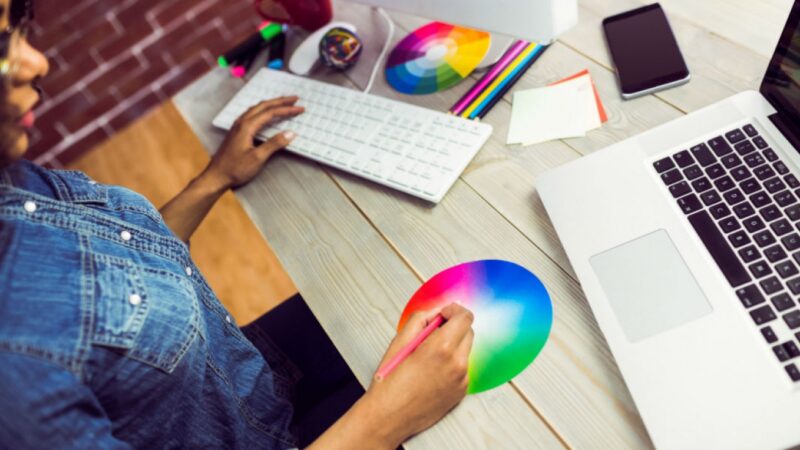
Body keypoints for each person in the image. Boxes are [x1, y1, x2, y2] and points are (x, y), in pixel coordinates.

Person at [0, 0, 475, 448]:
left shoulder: (11, 182)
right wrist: (391, 416)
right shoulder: (14, 391)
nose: (35, 62)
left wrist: (214, 179)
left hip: (252, 372)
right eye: (3, 51)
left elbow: (115, 270)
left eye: (18, 32)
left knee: (412, 285)